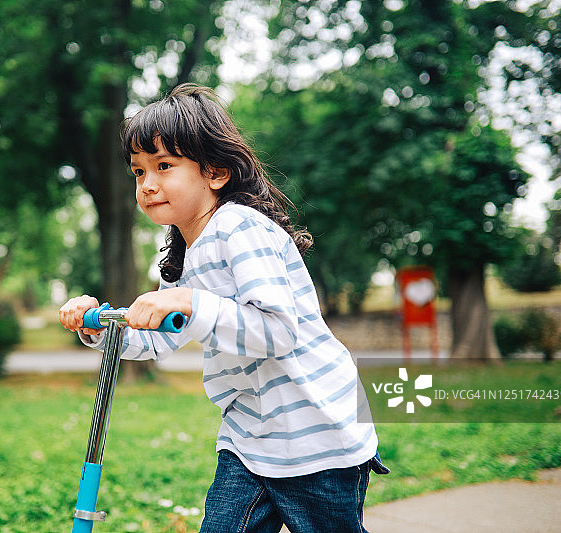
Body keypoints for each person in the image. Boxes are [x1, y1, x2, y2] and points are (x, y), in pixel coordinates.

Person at [59, 83, 388, 533]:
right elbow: (160, 340)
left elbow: (277, 332)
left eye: (164, 166)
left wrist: (193, 301)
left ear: (214, 172)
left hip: (316, 432)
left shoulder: (239, 227)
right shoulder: (181, 255)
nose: (148, 183)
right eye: (138, 172)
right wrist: (99, 324)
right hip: (249, 439)